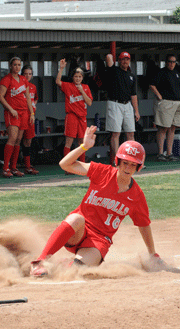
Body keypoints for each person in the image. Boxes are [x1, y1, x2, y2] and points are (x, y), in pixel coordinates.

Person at [30, 125, 162, 277]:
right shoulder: (102, 172)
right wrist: (84, 147)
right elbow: (64, 164)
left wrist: (152, 254)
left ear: (138, 167)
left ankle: (63, 264)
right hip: (79, 230)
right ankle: (39, 262)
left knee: (74, 272)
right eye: (125, 162)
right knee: (76, 217)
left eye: (133, 164)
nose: (128, 168)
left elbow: (144, 225)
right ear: (117, 161)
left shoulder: (137, 195)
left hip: (99, 242)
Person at [0, 57, 35, 178]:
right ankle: (5, 168)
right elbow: (0, 96)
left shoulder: (24, 79)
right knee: (12, 138)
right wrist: (10, 109)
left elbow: (28, 97)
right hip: (12, 113)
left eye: (19, 65)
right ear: (10, 66)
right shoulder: (6, 79)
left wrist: (32, 114)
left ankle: (13, 168)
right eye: (15, 65)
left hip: (24, 112)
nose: (17, 67)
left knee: (19, 140)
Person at [56, 58, 93, 173]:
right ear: (73, 77)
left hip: (82, 117)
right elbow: (58, 82)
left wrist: (82, 91)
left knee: (82, 142)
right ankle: (67, 167)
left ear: (82, 78)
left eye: (80, 77)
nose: (77, 78)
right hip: (72, 116)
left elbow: (89, 102)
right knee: (69, 141)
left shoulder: (85, 87)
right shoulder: (68, 86)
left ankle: (82, 166)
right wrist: (61, 68)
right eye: (76, 76)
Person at [105, 52, 140, 166]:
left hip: (127, 105)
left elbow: (133, 95)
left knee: (130, 133)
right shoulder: (114, 71)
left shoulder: (132, 76)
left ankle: (132, 160)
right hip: (115, 103)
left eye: (127, 59)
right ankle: (118, 161)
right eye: (122, 59)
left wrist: (136, 111)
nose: (125, 61)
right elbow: (109, 58)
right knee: (116, 133)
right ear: (119, 61)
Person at [149, 54, 180, 162]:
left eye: (174, 62)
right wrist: (159, 96)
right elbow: (152, 85)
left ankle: (169, 153)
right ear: (166, 62)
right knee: (163, 128)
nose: (172, 64)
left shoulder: (177, 73)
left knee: (172, 128)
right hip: (166, 103)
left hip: (177, 103)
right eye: (170, 62)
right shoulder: (161, 72)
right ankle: (161, 153)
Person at [21, 64, 39, 175]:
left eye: (30, 74)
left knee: (28, 141)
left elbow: (35, 98)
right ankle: (14, 166)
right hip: (21, 115)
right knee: (17, 140)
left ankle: (27, 165)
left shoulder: (33, 86)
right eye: (26, 74)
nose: (28, 76)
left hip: (30, 116)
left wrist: (33, 105)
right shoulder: (19, 85)